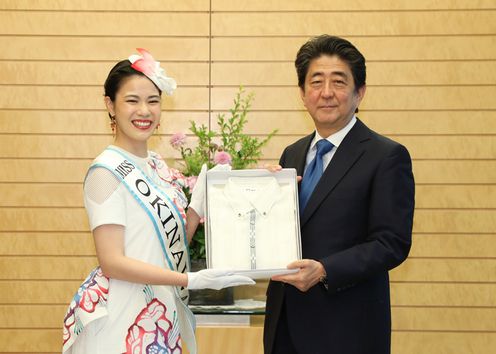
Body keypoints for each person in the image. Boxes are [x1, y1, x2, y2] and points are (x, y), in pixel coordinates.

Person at [62, 48, 254, 354]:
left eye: (153, 101)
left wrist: (199, 201)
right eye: (132, 100)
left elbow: (170, 245)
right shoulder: (105, 171)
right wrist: (188, 279)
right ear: (110, 105)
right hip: (122, 319)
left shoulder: (157, 166)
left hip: (161, 316)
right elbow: (112, 262)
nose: (145, 111)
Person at [263, 35, 415, 354]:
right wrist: (263, 198)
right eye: (316, 82)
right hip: (285, 325)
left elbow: (391, 243)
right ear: (303, 94)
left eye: (339, 81)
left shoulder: (386, 156)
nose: (327, 92)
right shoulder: (291, 155)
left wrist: (325, 269)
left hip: (347, 330)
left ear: (359, 92)